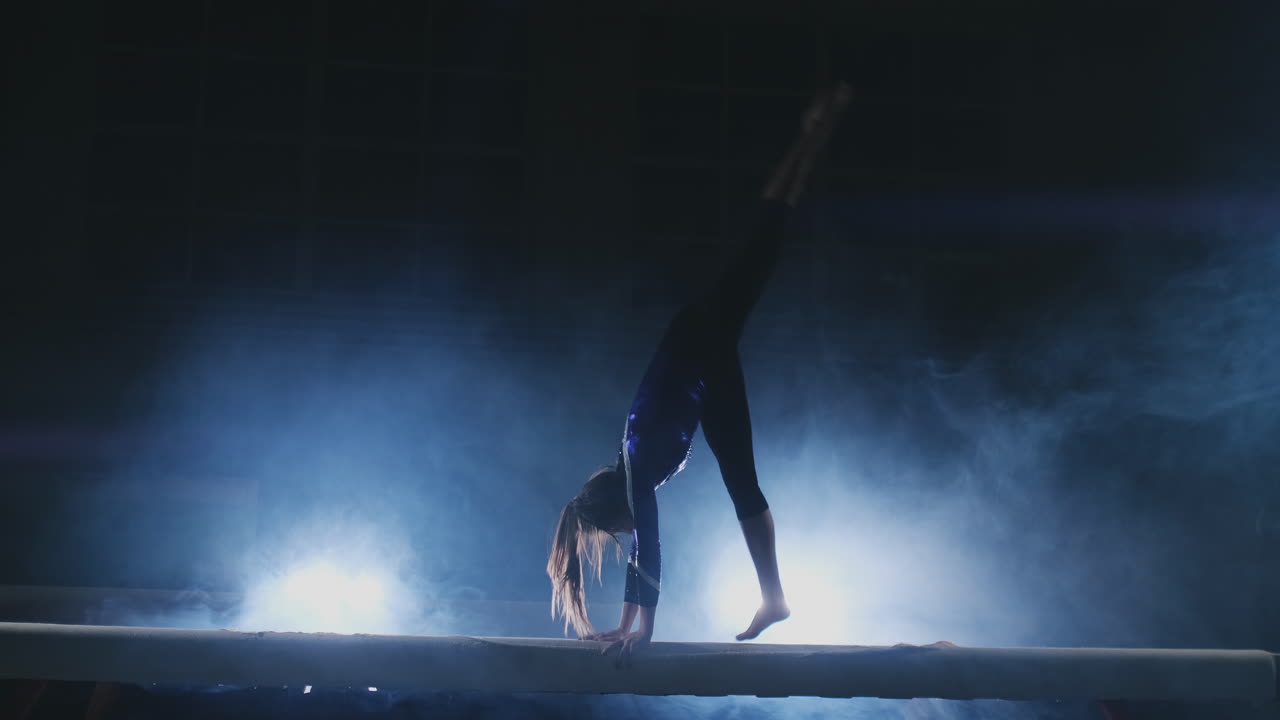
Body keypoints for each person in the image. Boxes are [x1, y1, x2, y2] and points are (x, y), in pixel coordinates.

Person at [547, 85, 850, 661]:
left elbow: (651, 548)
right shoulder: (631, 471)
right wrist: (625, 622)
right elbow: (643, 549)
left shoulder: (637, 468)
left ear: (617, 510)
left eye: (619, 530)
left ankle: (812, 134)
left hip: (699, 338)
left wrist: (643, 632)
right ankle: (773, 597)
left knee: (763, 239)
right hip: (704, 375)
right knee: (743, 483)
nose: (628, 535)